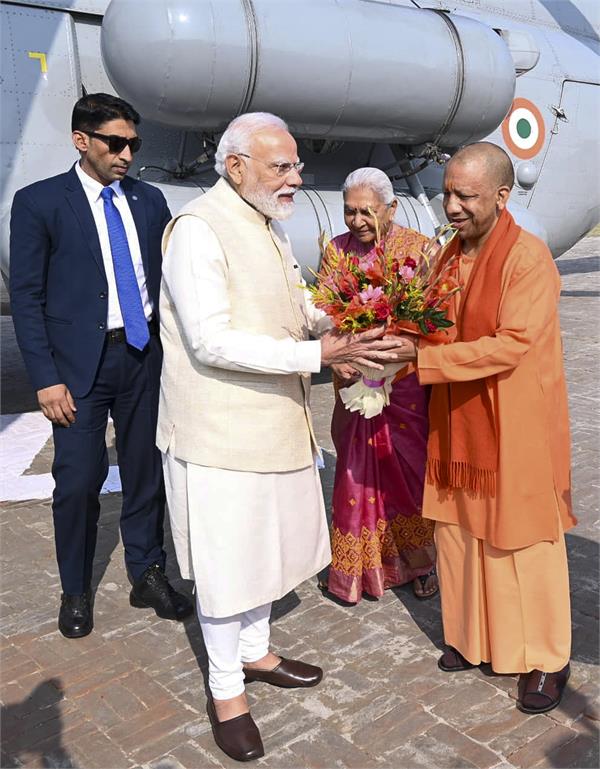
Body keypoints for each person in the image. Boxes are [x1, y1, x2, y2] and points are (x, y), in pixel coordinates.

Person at [158, 112, 405, 762]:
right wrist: (320, 355)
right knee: (227, 562)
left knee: (266, 550)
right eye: (282, 166)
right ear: (235, 166)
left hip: (271, 425)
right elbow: (212, 341)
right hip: (220, 431)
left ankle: (257, 651)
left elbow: (297, 303)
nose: (297, 177)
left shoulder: (263, 226)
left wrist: (355, 320)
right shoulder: (197, 232)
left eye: (296, 164)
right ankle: (226, 691)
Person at [393, 142, 575, 714]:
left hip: (514, 421)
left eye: (466, 197)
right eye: (447, 193)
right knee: (459, 529)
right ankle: (473, 639)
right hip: (458, 420)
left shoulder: (528, 258)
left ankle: (547, 658)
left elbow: (512, 345)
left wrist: (423, 363)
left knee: (522, 539)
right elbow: (432, 319)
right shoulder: (449, 254)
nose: (451, 206)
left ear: (500, 195)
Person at [9, 93, 192, 640]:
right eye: (117, 143)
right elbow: (27, 296)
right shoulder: (39, 203)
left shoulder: (148, 201)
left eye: (134, 143)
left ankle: (147, 572)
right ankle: (75, 589)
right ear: (81, 140)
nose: (128, 154)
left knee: (145, 473)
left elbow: (168, 283)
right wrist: (44, 378)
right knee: (77, 482)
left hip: (141, 359)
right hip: (76, 371)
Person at [324, 168, 438, 603]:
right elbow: (330, 315)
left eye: (366, 211)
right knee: (356, 475)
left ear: (391, 208)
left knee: (408, 473)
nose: (356, 222)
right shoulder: (337, 251)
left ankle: (422, 563)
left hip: (404, 387)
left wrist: (397, 354)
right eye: (349, 211)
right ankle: (359, 570)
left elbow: (433, 320)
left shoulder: (419, 251)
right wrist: (344, 359)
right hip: (354, 383)